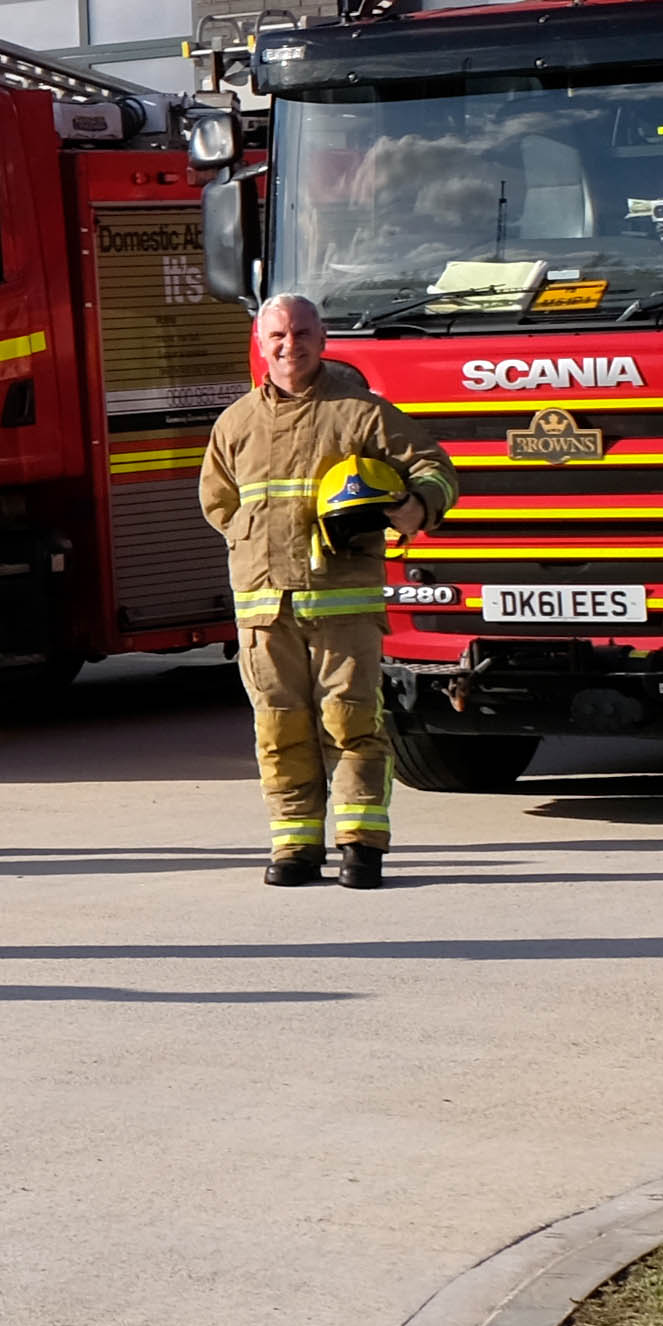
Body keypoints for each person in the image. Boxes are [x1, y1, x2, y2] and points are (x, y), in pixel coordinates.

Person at [197, 293, 454, 887]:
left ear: (323, 337)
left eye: (303, 333)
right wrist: (253, 546)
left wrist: (417, 506)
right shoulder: (235, 423)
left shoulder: (362, 413)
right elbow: (218, 504)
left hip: (343, 604)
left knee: (350, 720)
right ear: (261, 346)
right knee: (279, 725)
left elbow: (435, 466)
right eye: (279, 336)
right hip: (264, 608)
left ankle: (361, 846)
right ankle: (294, 847)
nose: (291, 346)